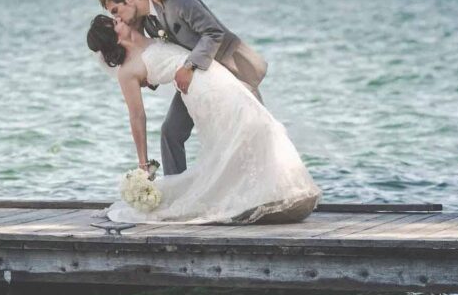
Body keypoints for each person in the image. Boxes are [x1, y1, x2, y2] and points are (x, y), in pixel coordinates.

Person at [86, 14, 321, 225]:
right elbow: (137, 116)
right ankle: (249, 195)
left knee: (256, 121)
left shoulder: (146, 33)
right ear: (113, 37)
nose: (120, 19)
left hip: (213, 73)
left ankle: (273, 189)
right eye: (114, 22)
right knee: (236, 133)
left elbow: (143, 3)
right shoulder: (127, 71)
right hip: (199, 91)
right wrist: (142, 163)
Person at [99, 0, 267, 176]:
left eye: (115, 10)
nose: (117, 17)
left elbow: (214, 33)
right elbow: (154, 52)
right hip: (194, 80)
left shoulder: (179, 1)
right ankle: (175, 186)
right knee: (170, 133)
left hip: (228, 68)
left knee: (253, 127)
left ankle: (258, 179)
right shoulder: (148, 22)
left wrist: (189, 66)